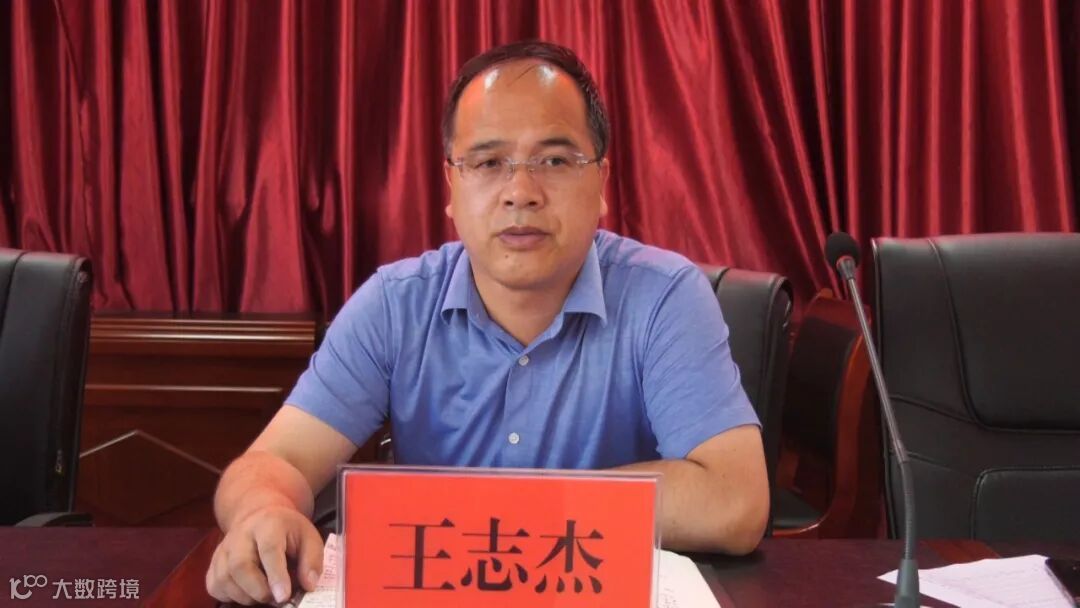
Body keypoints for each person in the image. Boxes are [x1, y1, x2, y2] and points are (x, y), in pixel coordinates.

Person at [206, 40, 768, 606]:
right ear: (451, 186)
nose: (521, 193)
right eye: (488, 162)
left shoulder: (665, 296)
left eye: (555, 161)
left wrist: (505, 509)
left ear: (601, 181)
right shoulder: (394, 305)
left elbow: (735, 500)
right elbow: (274, 463)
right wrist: (262, 512)